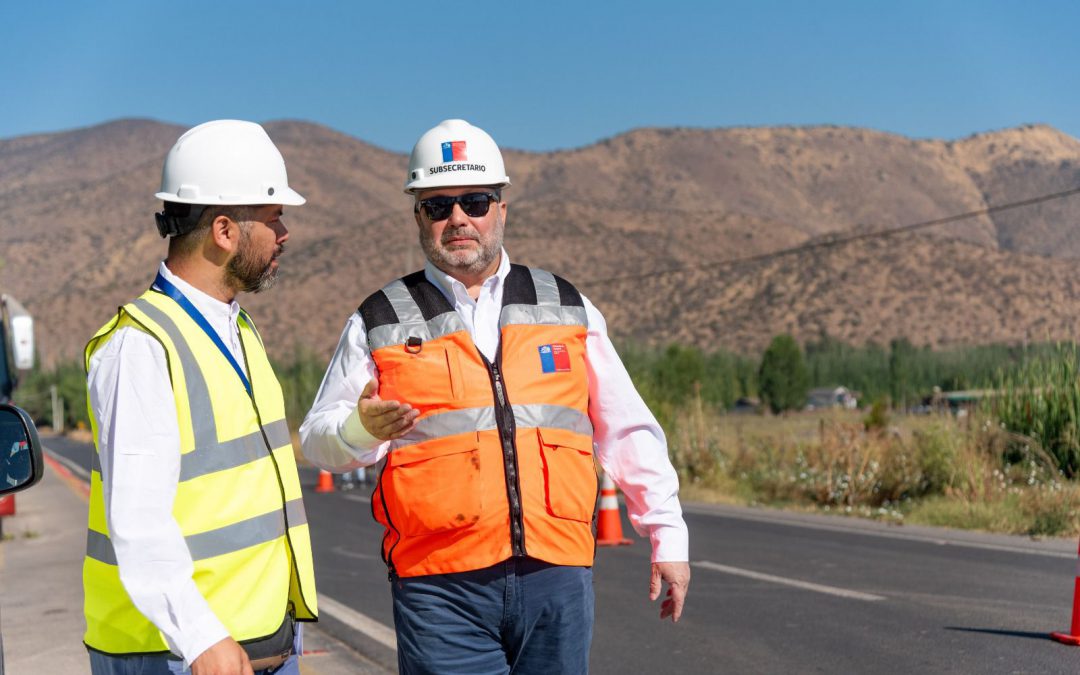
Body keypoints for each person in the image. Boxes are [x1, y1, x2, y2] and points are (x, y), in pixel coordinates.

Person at [301, 119, 690, 673]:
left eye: (475, 201)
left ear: (501, 208)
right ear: (418, 216)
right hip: (439, 590)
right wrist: (359, 430)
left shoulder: (567, 306)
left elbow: (627, 430)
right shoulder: (379, 319)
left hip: (556, 579)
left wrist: (667, 534)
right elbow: (317, 440)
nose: (458, 218)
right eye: (438, 206)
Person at [83, 120, 318, 675]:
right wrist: (200, 636)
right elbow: (138, 522)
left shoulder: (239, 329)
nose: (284, 233)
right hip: (180, 653)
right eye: (273, 217)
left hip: (256, 642)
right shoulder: (139, 348)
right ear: (223, 231)